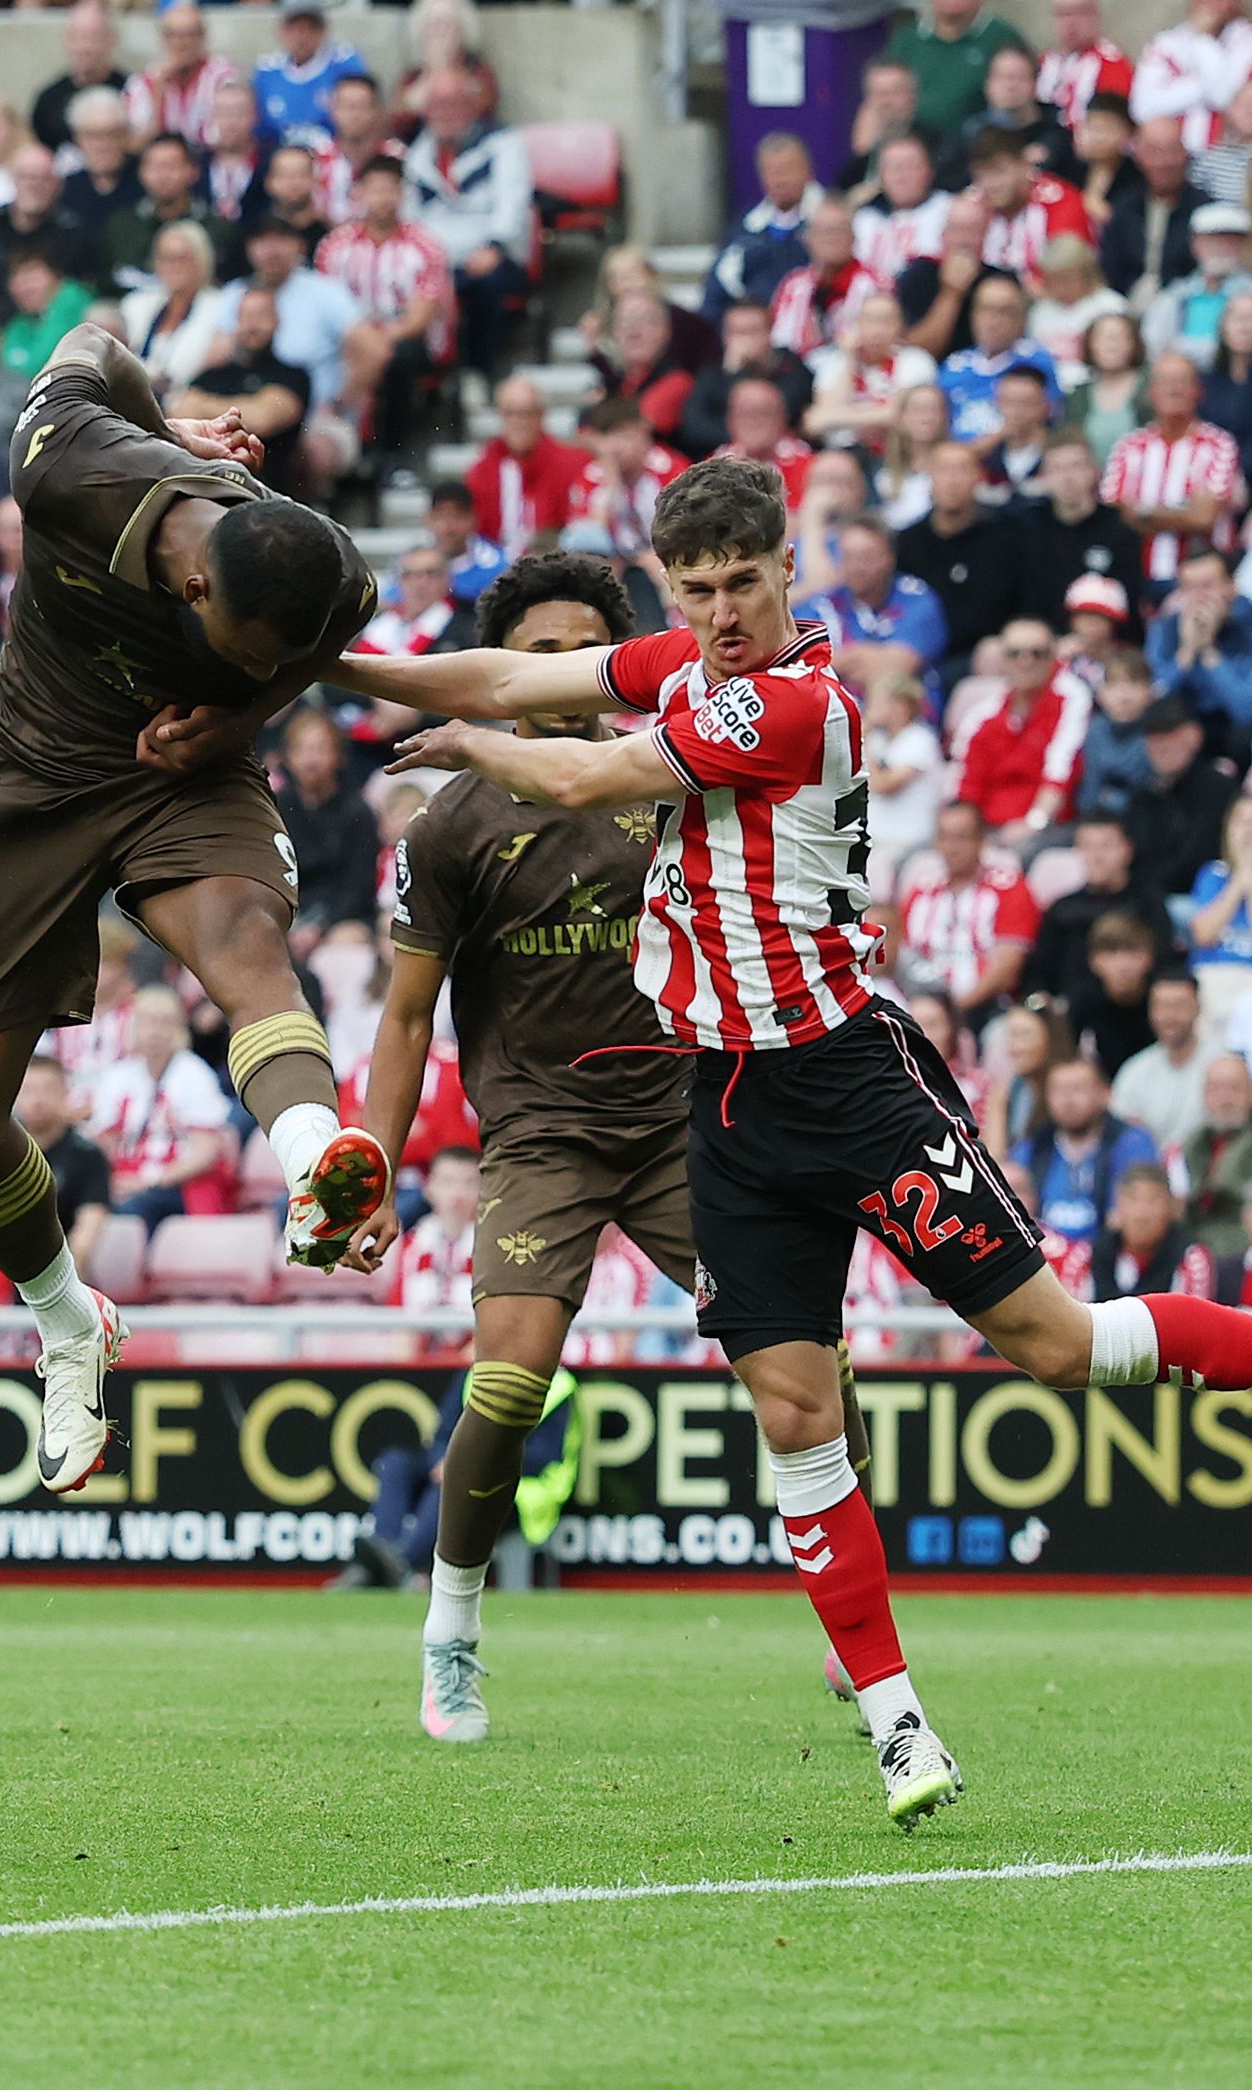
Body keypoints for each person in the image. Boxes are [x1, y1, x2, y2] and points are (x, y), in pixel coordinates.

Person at [330, 455, 1252, 1824]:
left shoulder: (794, 704)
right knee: (796, 1419)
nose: (724, 610)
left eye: (744, 582)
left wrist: (467, 749)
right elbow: (509, 680)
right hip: (728, 1110)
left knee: (1056, 1346)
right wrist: (336, 661)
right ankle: (897, 1725)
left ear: (787, 568)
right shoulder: (687, 671)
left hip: (851, 1084)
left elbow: (571, 768)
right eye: (697, 592)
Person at [0, 323, 387, 1497]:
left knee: (242, 946)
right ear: (192, 579)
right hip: (29, 768)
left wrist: (242, 716)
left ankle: (315, 1159)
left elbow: (327, 637)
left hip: (183, 775)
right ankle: (70, 1321)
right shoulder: (67, 459)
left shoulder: (322, 566)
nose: (252, 667)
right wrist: (160, 420)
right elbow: (90, 342)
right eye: (236, 653)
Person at [337, 558, 712, 1740]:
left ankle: (857, 1636)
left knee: (806, 1357)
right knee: (505, 1382)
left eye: (583, 648)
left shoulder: (669, 778)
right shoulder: (451, 823)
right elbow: (404, 1018)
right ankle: (451, 1624)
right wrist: (372, 1174)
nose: (560, 669)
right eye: (536, 651)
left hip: (682, 1127)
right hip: (541, 1135)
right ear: (502, 672)